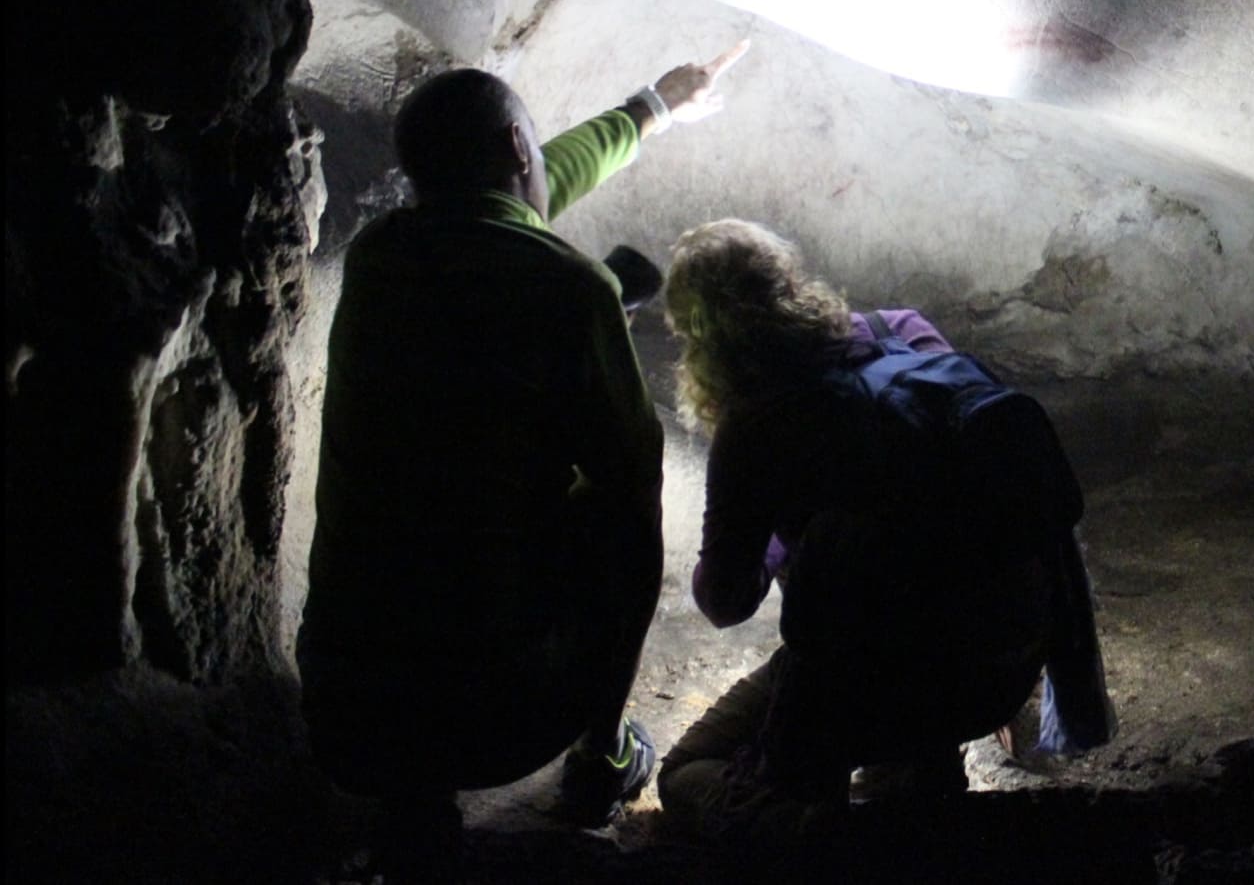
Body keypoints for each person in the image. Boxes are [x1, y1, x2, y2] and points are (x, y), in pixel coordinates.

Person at [296, 42, 747, 863]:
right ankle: (601, 755)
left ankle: (410, 806)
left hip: (343, 708)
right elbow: (627, 503)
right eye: (532, 150)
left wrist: (652, 107)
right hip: (495, 722)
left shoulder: (381, 255)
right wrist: (604, 297)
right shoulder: (571, 290)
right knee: (616, 510)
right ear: (515, 151)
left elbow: (503, 209)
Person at [654, 218, 1114, 846]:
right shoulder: (901, 330)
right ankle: (926, 775)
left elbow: (725, 602)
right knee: (905, 584)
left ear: (698, 339)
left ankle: (819, 836)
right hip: (1007, 659)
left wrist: (781, 526)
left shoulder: (754, 427)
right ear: (791, 279)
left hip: (865, 685)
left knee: (686, 774)